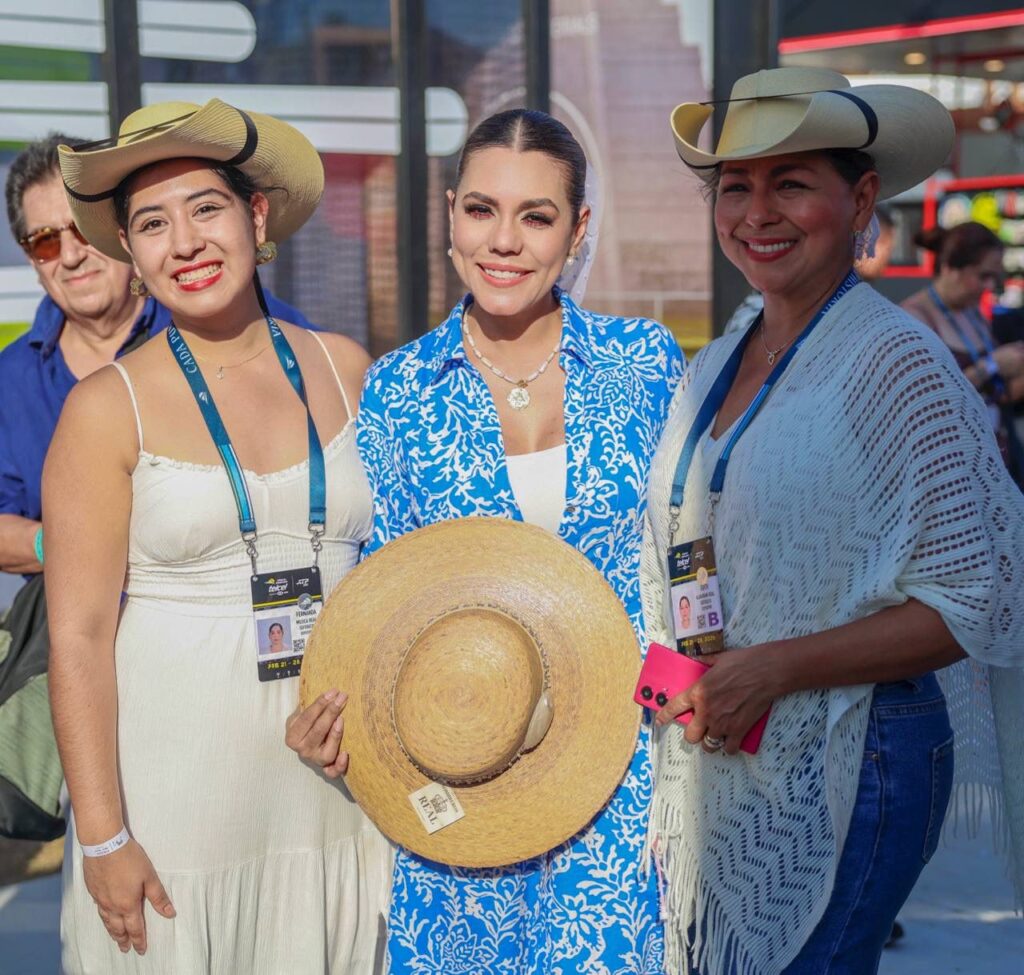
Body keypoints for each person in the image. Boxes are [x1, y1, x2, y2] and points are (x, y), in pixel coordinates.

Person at [641, 67, 1024, 975]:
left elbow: (971, 601)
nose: (758, 212)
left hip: (858, 746)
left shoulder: (896, 362)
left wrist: (767, 669)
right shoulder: (723, 355)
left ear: (860, 203)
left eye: (793, 183)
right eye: (737, 186)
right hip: (732, 739)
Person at [292, 108, 684, 973]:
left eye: (536, 216)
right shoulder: (399, 389)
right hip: (460, 776)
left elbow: (689, 566)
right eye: (481, 210)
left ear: (578, 231)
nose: (503, 241)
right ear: (449, 214)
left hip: (625, 779)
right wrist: (329, 714)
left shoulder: (644, 365)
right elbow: (383, 595)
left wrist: (673, 731)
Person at [45, 100, 391, 972]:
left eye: (206, 208)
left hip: (343, 790)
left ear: (258, 216)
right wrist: (101, 837)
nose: (184, 242)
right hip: (177, 808)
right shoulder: (103, 408)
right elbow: (77, 637)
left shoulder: (348, 368)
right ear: (131, 249)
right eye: (152, 224)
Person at [0, 134, 315, 580]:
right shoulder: (9, 380)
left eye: (81, 232)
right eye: (46, 242)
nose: (70, 256)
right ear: (32, 260)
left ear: (117, 238)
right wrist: (72, 543)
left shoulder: (238, 321)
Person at [902, 221, 1024, 481]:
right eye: (982, 276)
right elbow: (927, 403)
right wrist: (992, 365)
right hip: (951, 469)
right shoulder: (913, 319)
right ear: (949, 268)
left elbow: (995, 395)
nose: (989, 286)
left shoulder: (972, 312)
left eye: (994, 277)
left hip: (994, 457)